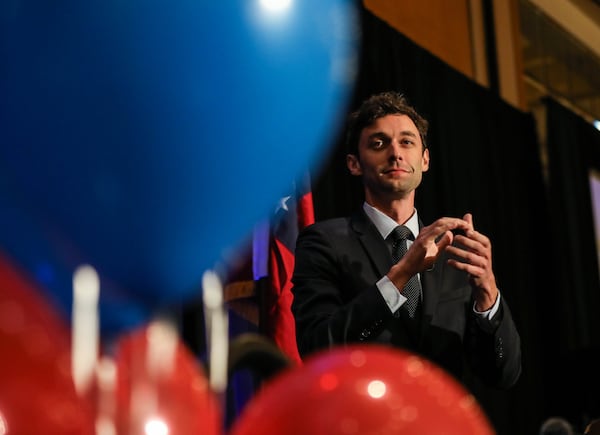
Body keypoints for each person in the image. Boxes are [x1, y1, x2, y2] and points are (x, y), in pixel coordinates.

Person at [291, 91, 521, 388]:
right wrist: (401, 274)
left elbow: (503, 375)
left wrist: (488, 294)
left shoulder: (457, 253)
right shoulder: (323, 242)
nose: (395, 153)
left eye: (407, 142)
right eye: (379, 143)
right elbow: (317, 348)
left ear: (424, 160)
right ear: (354, 164)